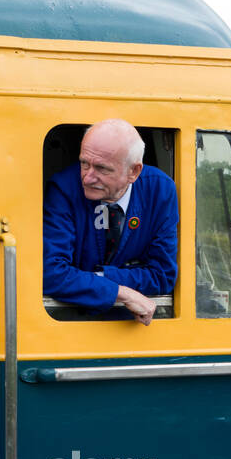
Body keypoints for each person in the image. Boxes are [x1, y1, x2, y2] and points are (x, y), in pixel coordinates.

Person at [43, 119, 178, 325]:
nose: (87, 178)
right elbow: (50, 273)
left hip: (132, 330)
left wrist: (95, 277)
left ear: (134, 171)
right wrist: (121, 292)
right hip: (68, 325)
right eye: (84, 163)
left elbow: (163, 276)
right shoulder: (64, 188)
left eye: (101, 168)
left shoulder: (160, 191)